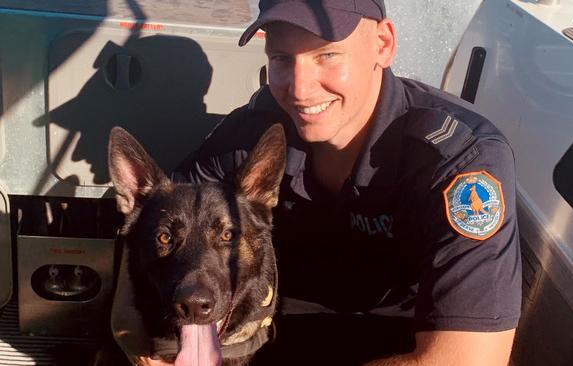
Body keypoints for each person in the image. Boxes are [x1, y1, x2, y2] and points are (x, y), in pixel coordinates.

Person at [112, 0, 521, 364]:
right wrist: (129, 327)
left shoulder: (456, 161)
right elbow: (152, 225)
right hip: (275, 328)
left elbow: (467, 359)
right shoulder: (257, 132)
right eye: (281, 59)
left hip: (399, 343)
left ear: (383, 43)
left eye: (327, 54)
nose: (301, 89)